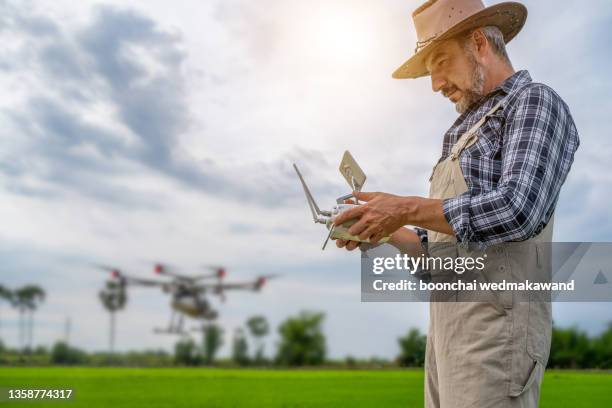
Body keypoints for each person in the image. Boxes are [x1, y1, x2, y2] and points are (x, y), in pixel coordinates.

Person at [333, 1, 579, 407]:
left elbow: (519, 209)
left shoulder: (533, 103)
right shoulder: (459, 132)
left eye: (441, 62)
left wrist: (405, 207)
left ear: (479, 42)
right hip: (446, 343)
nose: (435, 84)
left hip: (497, 338)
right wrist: (387, 231)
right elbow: (441, 265)